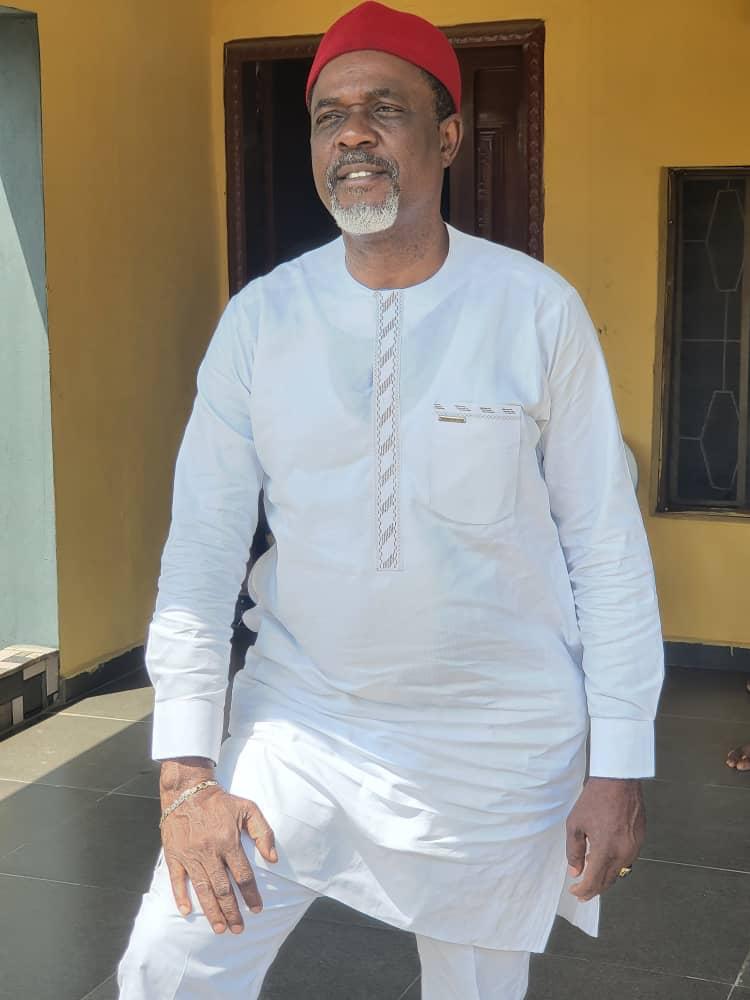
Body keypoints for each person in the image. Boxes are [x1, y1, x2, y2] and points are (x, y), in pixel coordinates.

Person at [117, 4, 664, 997]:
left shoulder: (536, 310)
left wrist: (619, 762)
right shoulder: (261, 321)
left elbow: (606, 546)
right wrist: (186, 773)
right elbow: (201, 548)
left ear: (447, 137)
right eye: (330, 116)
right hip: (303, 720)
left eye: (385, 109)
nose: (353, 135)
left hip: (498, 742)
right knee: (171, 961)